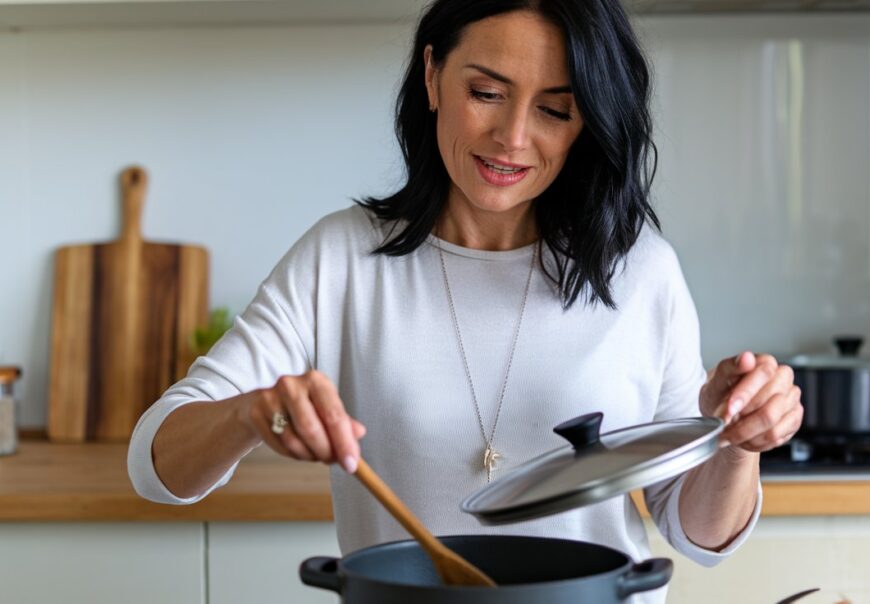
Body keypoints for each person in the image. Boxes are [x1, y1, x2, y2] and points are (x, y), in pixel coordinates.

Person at [128, 0, 802, 600]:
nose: (512, 137)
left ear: (585, 123)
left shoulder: (639, 271)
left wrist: (738, 444)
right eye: (486, 92)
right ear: (432, 76)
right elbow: (157, 467)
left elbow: (697, 535)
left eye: (554, 110)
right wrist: (252, 412)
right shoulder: (340, 260)